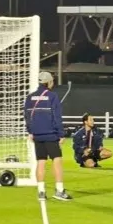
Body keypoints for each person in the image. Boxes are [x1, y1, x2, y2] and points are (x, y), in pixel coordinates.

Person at [24, 71, 71, 201]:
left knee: (41, 161)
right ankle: (60, 190)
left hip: (37, 134)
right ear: (49, 82)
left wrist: (31, 131)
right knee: (57, 160)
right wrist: (61, 134)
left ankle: (41, 192)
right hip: (50, 134)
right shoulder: (52, 96)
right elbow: (57, 117)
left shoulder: (30, 97)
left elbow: (27, 117)